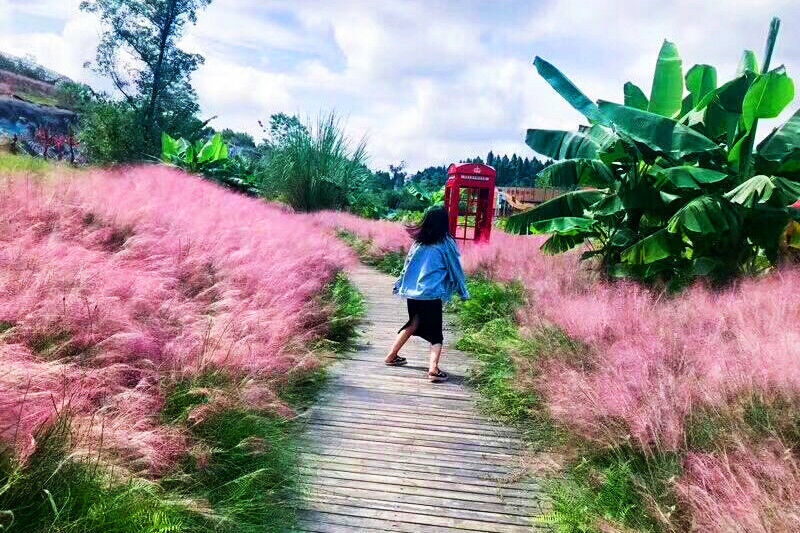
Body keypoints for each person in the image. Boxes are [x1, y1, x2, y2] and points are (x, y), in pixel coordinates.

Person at [385, 206, 470, 383]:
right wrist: (463, 291)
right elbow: (455, 268)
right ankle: (433, 369)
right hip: (430, 294)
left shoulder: (419, 242)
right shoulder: (446, 243)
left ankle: (391, 356)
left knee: (413, 323)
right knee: (436, 335)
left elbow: (407, 266)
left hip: (413, 293)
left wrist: (399, 284)